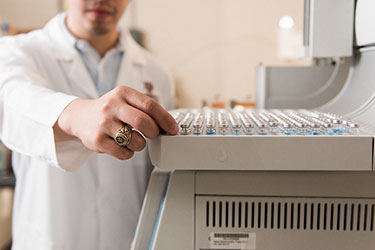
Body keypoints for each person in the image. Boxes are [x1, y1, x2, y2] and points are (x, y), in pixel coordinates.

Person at [0, 0, 178, 249]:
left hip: (128, 239)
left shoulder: (157, 74)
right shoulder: (17, 51)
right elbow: (11, 101)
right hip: (50, 238)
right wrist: (77, 116)